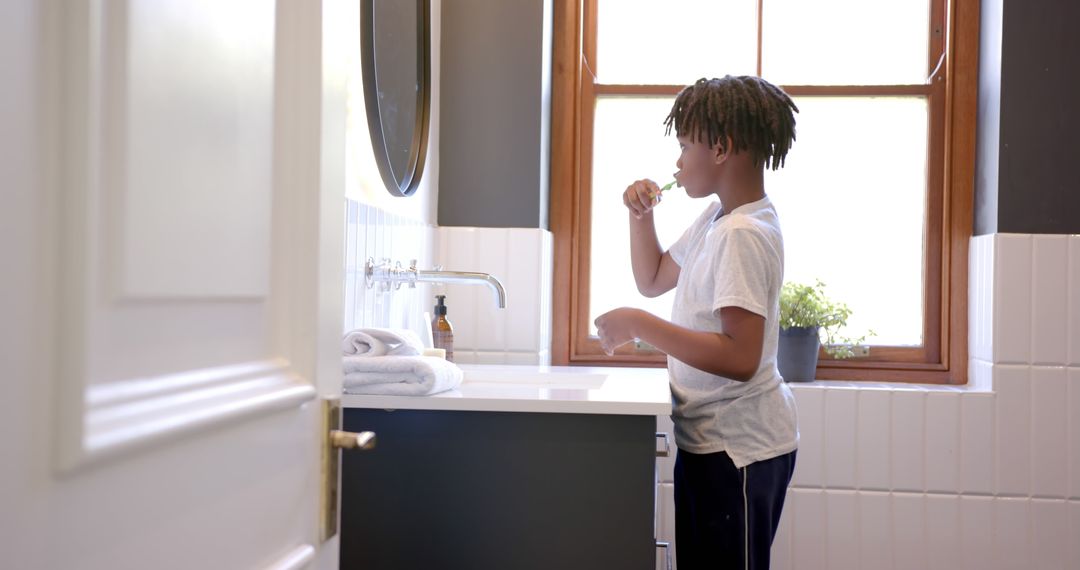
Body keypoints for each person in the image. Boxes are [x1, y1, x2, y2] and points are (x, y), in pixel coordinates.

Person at [593, 75, 799, 570]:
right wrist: (640, 218)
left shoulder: (742, 233)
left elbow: (741, 357)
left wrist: (640, 325)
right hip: (711, 441)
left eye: (685, 146)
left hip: (738, 451)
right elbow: (654, 277)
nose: (678, 161)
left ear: (722, 149)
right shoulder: (718, 219)